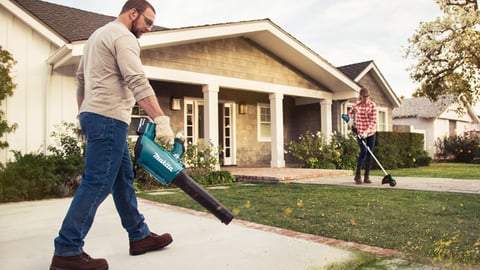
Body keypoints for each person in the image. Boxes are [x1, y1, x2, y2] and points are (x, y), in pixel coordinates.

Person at [50, 1, 175, 269]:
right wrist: (160, 119)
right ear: (133, 13)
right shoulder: (123, 37)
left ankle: (139, 235)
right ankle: (67, 250)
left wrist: (83, 114)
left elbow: (81, 79)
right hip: (108, 119)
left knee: (122, 179)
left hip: (96, 116)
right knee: (97, 183)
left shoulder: (97, 36)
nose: (149, 28)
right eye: (148, 22)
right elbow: (137, 79)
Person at [347, 87, 377, 185]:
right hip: (360, 133)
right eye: (364, 97)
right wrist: (349, 120)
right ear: (360, 96)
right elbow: (349, 113)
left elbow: (373, 121)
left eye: (367, 97)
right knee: (363, 152)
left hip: (370, 133)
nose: (365, 99)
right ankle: (357, 176)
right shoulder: (356, 105)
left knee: (369, 155)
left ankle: (366, 177)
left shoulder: (372, 105)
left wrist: (367, 131)